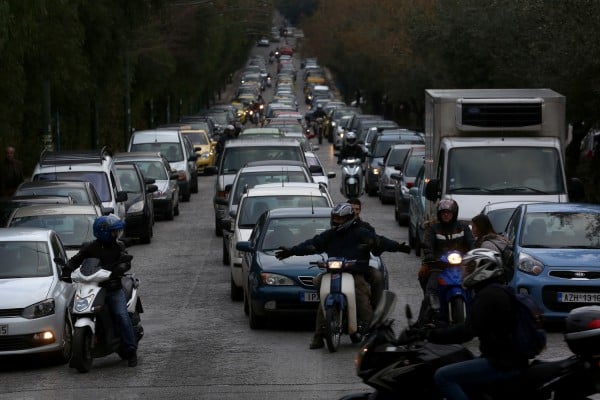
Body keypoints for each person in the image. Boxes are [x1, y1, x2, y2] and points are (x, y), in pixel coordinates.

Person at [275, 203, 411, 349]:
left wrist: (398, 246)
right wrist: (292, 251)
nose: (336, 221)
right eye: (335, 218)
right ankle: (319, 335)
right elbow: (313, 244)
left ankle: (371, 331)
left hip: (355, 272)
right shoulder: (330, 235)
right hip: (333, 272)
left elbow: (380, 241)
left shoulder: (361, 232)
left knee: (361, 293)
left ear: (348, 218)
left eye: (340, 219)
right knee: (321, 290)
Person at [424, 249, 530, 400]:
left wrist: (432, 334)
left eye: (469, 267)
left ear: (482, 268)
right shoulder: (499, 290)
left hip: (501, 363)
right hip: (509, 359)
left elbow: (467, 331)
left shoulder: (487, 296)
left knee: (443, 376)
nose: (465, 271)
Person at [63, 215, 138, 367]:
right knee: (73, 310)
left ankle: (131, 351)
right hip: (93, 287)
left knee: (122, 316)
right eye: (113, 232)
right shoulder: (90, 247)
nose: (116, 235)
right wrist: (66, 270)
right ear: (104, 232)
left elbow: (126, 261)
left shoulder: (118, 247)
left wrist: (121, 268)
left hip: (113, 288)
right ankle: (76, 351)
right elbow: (76, 259)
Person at [417, 199, 475, 326]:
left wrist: (474, 252)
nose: (446, 215)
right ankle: (422, 322)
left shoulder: (463, 227)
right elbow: (428, 245)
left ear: (454, 213)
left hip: (462, 265)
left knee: (478, 286)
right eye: (443, 212)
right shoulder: (434, 229)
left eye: (449, 212)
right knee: (430, 292)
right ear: (439, 214)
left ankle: (478, 316)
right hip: (440, 265)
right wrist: (429, 255)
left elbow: (472, 242)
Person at [348, 198, 383, 308]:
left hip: (362, 265)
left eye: (357, 209)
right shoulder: (339, 226)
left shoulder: (367, 228)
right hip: (342, 266)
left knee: (377, 276)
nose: (354, 211)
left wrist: (373, 245)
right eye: (352, 209)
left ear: (360, 211)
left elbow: (375, 247)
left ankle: (376, 307)